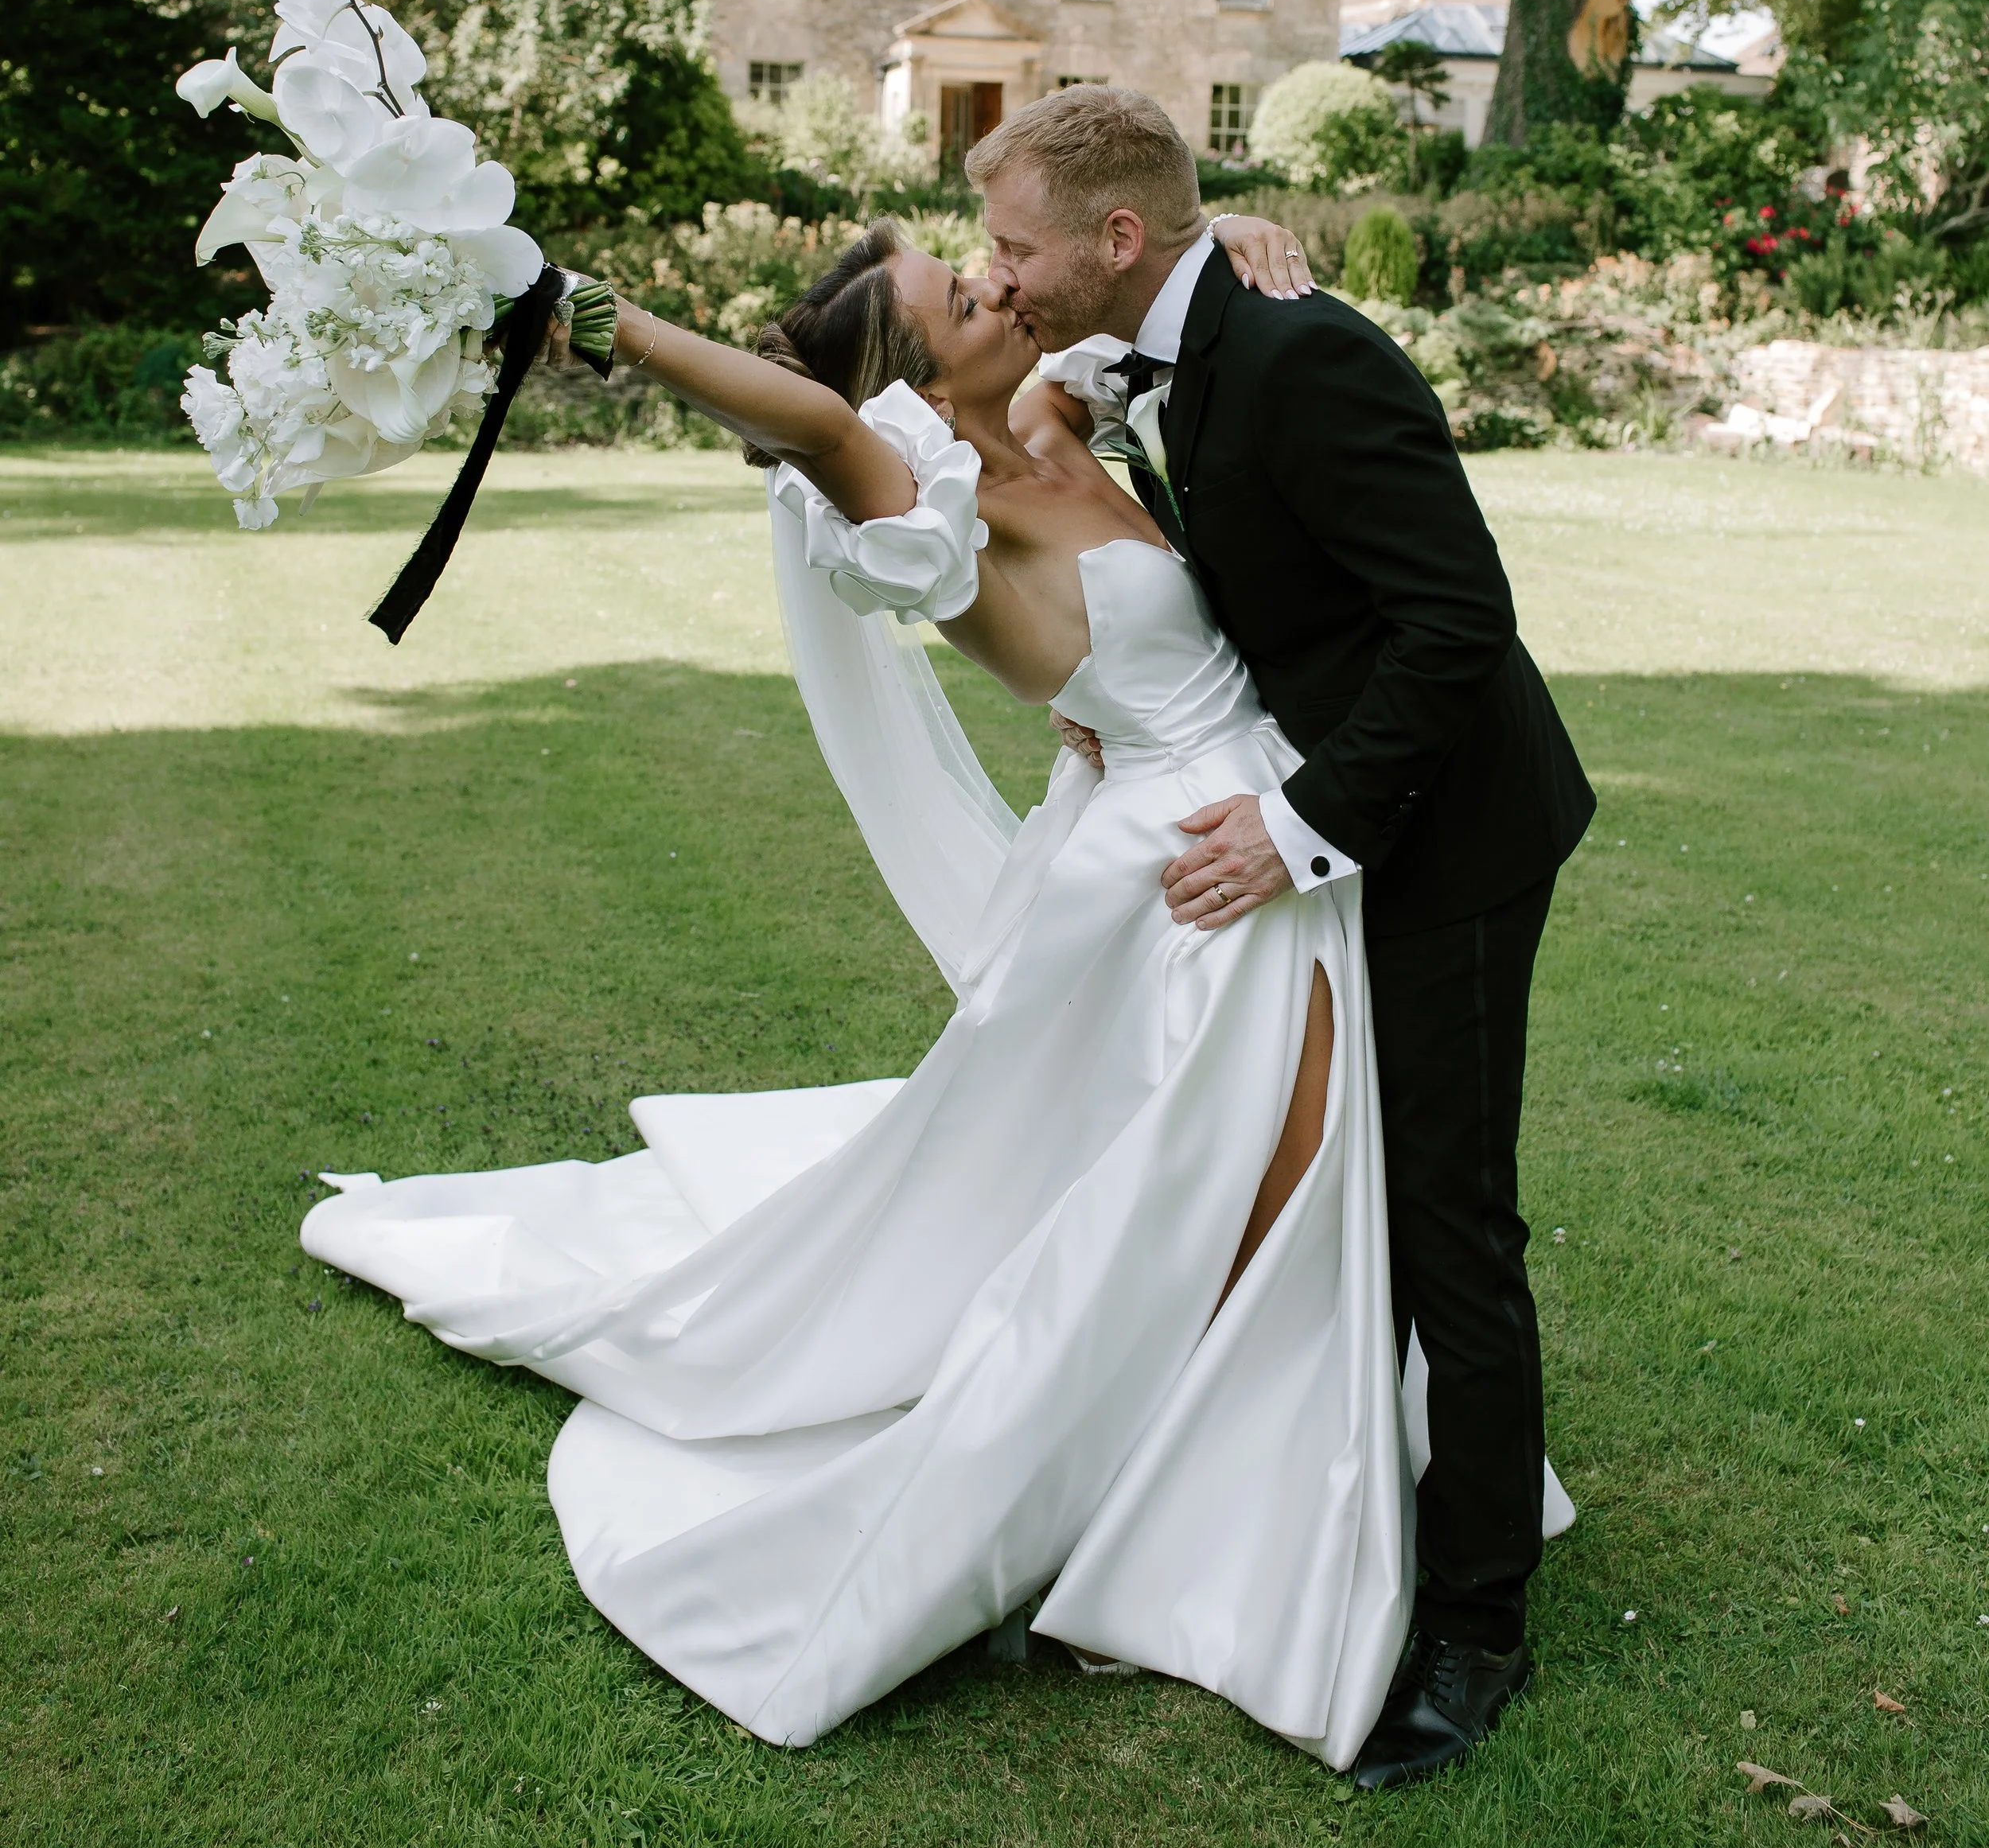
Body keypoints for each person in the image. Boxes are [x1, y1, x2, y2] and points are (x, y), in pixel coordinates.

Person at [301, 208, 1434, 1764]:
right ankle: (1244, 1533)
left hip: (1263, 819)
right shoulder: (920, 493)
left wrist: (1210, 223)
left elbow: (1128, 277)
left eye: (976, 265)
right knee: (1269, 1177)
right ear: (916, 373)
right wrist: (577, 308)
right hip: (1195, 870)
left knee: (1276, 1179)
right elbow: (811, 417)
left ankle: (1252, 1483)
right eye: (951, 290)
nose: (987, 281)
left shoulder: (1055, 405)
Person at [969, 88, 1594, 1789]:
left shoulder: (1301, 354)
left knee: (1446, 1218)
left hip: (1446, 837)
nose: (993, 276)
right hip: (1342, 818)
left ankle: (1473, 1631)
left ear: (1110, 239)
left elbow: (1456, 618)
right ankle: (1323, 1494)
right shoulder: (1163, 338)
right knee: (1352, 1195)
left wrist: (1302, 825)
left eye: (1014, 247)